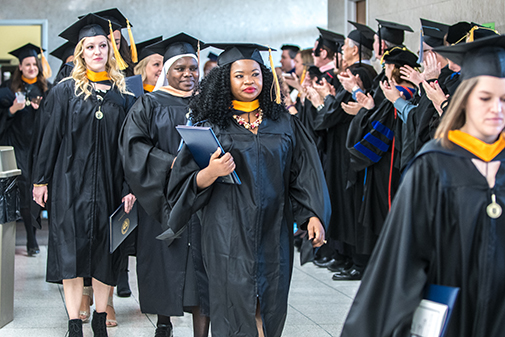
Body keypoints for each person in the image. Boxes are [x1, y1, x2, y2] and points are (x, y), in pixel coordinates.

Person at [341, 33, 505, 337]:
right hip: (451, 313)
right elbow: (400, 257)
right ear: (465, 96)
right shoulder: (435, 165)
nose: (497, 109)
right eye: (486, 97)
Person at [165, 43, 330, 337]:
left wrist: (312, 215)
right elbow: (183, 184)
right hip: (226, 232)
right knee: (233, 304)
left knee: (268, 302)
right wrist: (211, 172)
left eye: (255, 74)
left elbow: (302, 174)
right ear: (225, 80)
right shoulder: (210, 127)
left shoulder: (285, 124)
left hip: (273, 229)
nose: (249, 82)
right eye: (239, 76)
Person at [31, 14, 136, 337]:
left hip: (109, 185)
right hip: (68, 183)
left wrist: (129, 186)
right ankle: (74, 322)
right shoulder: (64, 93)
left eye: (102, 45)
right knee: (70, 252)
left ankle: (100, 318)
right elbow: (49, 139)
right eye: (89, 46)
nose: (97, 51)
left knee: (107, 253)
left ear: (110, 50)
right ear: (80, 52)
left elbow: (129, 147)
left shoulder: (124, 96)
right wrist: (40, 180)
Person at [119, 32, 210, 337]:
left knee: (201, 263)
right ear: (166, 71)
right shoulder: (149, 103)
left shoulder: (208, 105)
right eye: (180, 68)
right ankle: (163, 322)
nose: (188, 74)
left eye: (193, 68)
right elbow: (133, 146)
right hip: (161, 196)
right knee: (163, 259)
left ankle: (201, 326)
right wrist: (169, 162)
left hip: (202, 195)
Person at [0, 43, 51, 257]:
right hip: (18, 148)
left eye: (34, 64)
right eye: (27, 64)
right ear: (20, 67)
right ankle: (31, 240)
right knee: (23, 194)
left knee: (36, 193)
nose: (32, 68)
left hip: (39, 149)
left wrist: (42, 111)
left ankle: (37, 238)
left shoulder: (47, 90)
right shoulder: (7, 92)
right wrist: (12, 110)